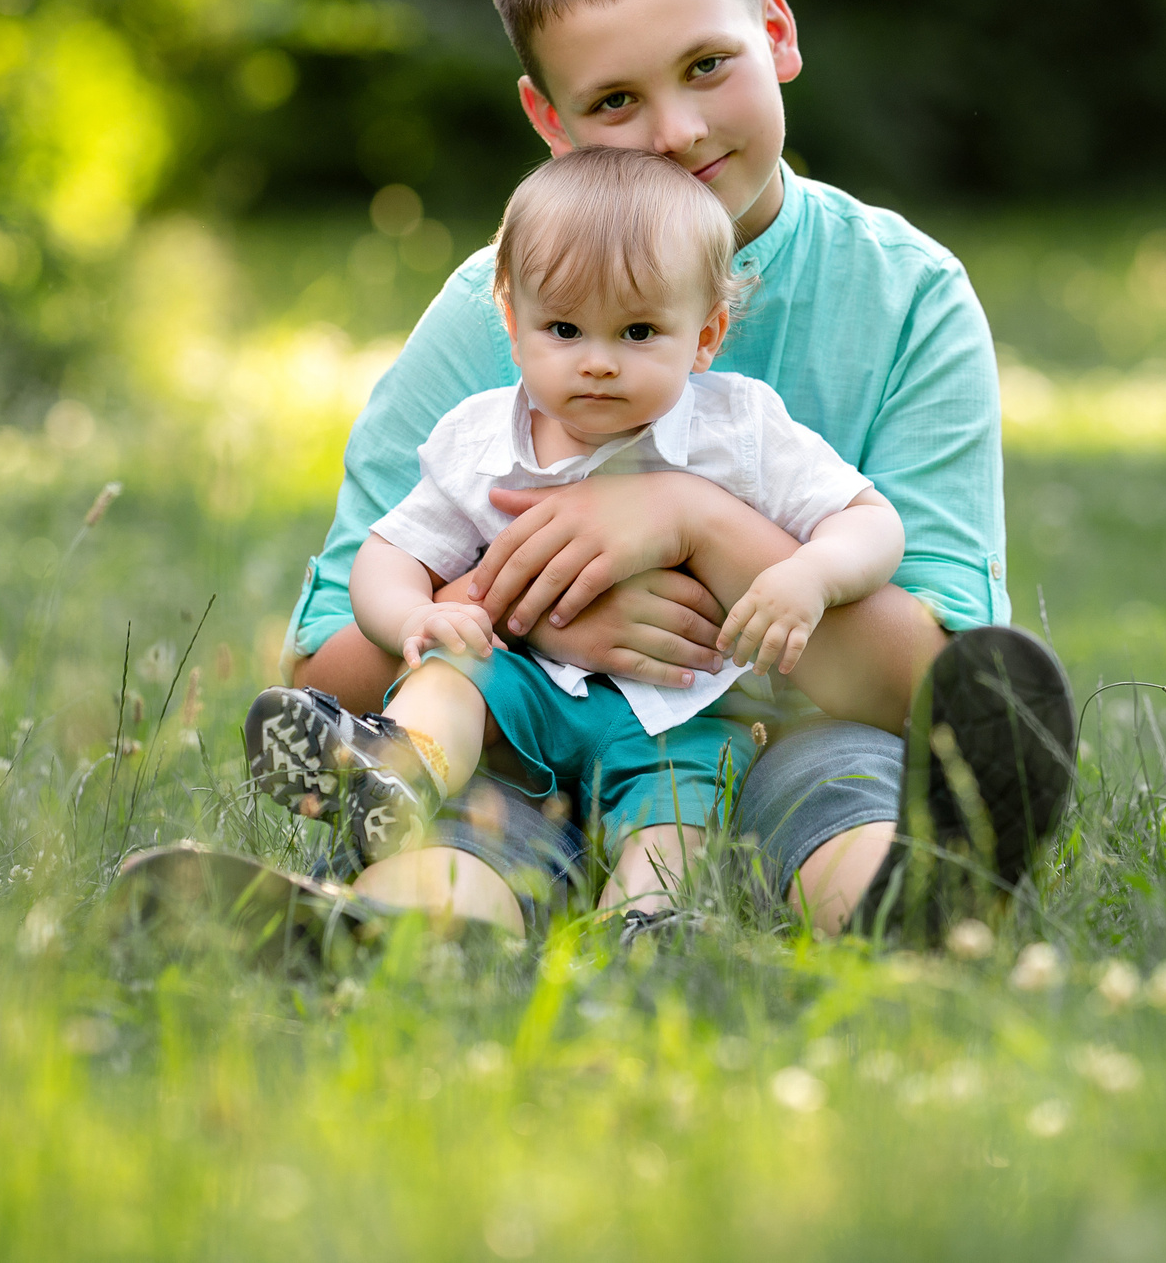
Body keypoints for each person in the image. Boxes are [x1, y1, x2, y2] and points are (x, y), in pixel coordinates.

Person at [279, 0, 1075, 938]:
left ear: (777, 31)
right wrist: (546, 610)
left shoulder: (905, 298)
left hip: (807, 730)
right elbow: (330, 668)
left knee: (841, 790)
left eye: (707, 65)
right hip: (529, 743)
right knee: (469, 820)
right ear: (548, 121)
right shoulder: (499, 314)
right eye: (613, 99)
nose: (678, 132)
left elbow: (938, 690)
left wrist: (688, 522)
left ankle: (916, 908)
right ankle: (384, 940)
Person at [245, 148, 906, 926]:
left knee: (678, 817)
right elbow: (389, 555)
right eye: (564, 328)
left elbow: (870, 520)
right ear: (512, 323)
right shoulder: (481, 437)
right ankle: (396, 772)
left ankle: (648, 923)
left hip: (681, 710)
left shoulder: (738, 429)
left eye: (637, 332)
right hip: (524, 694)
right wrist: (412, 618)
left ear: (705, 334)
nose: (597, 362)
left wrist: (812, 575)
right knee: (456, 669)